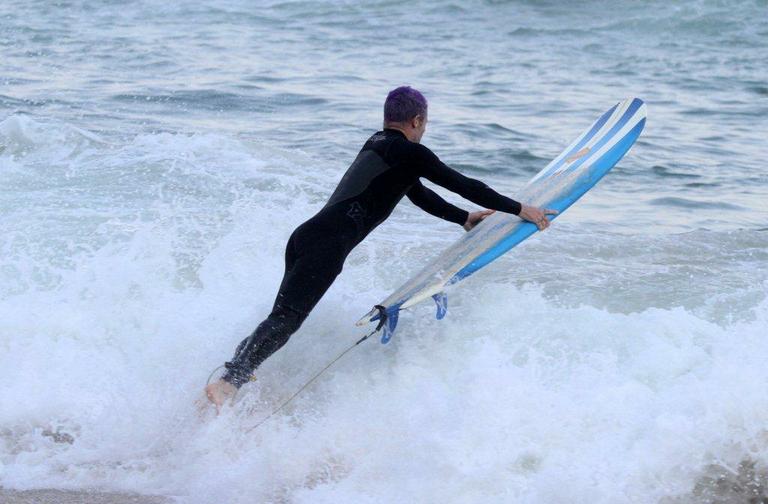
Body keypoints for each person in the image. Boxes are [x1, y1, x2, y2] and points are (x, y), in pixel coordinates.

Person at [204, 86, 556, 410]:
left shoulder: (378, 144)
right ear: (417, 120)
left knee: (280, 317)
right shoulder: (409, 151)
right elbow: (462, 183)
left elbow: (417, 193)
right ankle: (229, 382)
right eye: (425, 123)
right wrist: (521, 208)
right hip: (326, 243)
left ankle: (225, 384)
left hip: (306, 236)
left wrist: (463, 219)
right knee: (286, 320)